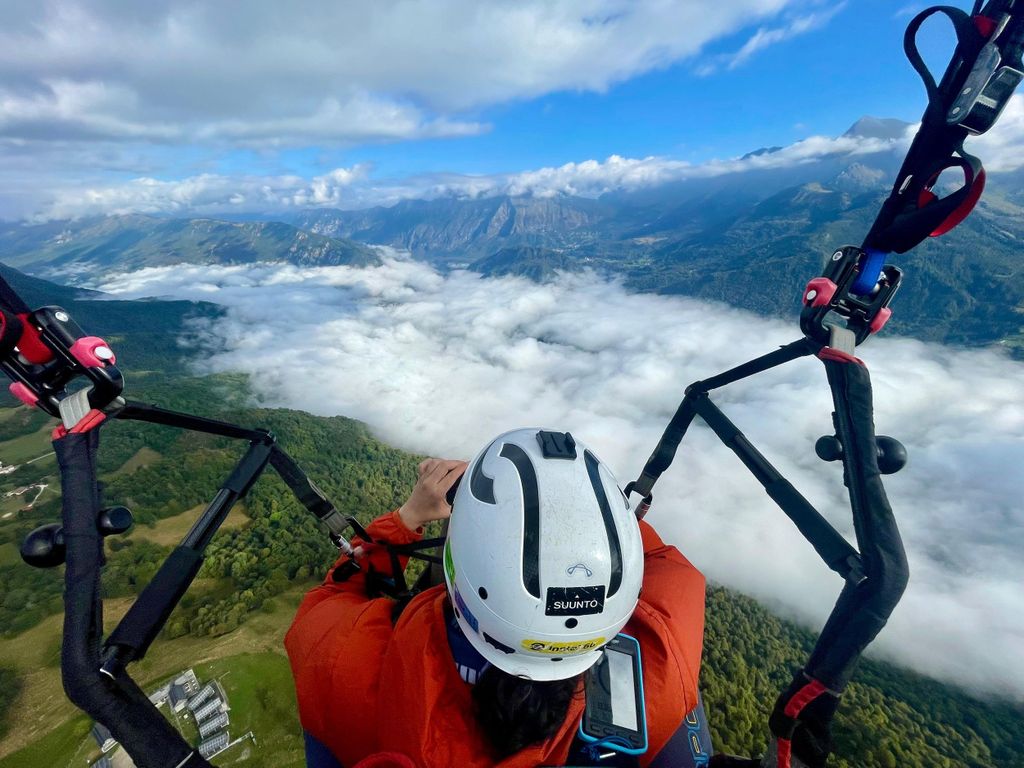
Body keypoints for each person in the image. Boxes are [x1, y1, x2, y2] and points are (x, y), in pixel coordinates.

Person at [286, 428, 711, 767]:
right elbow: (666, 564)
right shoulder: (662, 664)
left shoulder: (348, 665)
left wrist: (407, 518)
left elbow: (337, 591)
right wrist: (585, 513)